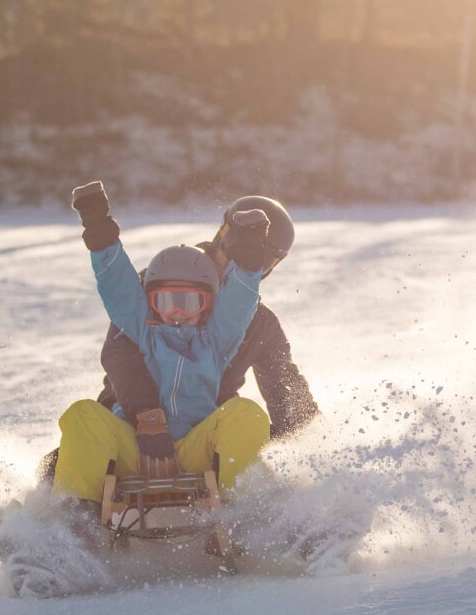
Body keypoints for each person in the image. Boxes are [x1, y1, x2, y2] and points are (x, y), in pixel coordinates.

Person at [39, 195, 320, 488]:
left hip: (206, 432)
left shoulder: (257, 321)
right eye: (248, 249)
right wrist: (148, 417)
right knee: (67, 450)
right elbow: (121, 354)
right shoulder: (162, 280)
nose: (177, 311)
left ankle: (247, 515)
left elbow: (284, 383)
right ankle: (56, 516)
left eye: (266, 259)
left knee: (259, 435)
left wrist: (317, 449)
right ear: (225, 237)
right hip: (129, 417)